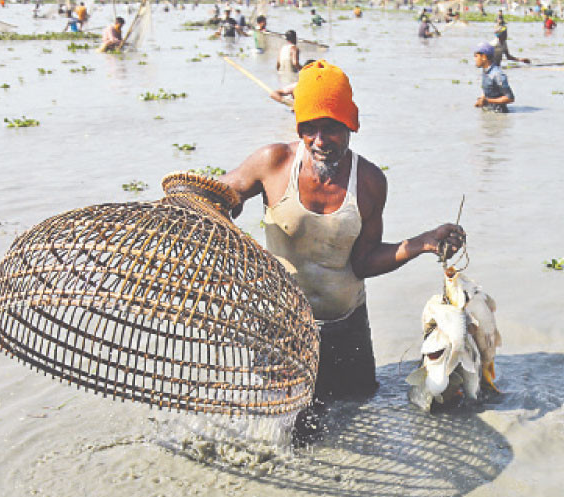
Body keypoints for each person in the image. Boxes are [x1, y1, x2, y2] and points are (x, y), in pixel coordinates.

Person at [220, 61, 466, 429]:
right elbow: (219, 198)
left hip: (345, 326)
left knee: (359, 415)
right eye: (311, 129)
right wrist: (192, 208)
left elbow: (364, 262)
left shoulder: (368, 182)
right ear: (299, 128)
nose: (321, 140)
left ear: (351, 126)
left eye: (332, 128)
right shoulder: (273, 163)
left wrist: (422, 243)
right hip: (282, 328)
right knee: (285, 427)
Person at [473, 41, 515, 112]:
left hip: (499, 115)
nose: (475, 59)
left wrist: (487, 101)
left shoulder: (497, 74)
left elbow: (510, 98)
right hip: (489, 111)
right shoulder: (485, 70)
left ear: (484, 57)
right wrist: (482, 99)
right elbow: (489, 89)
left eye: (476, 56)